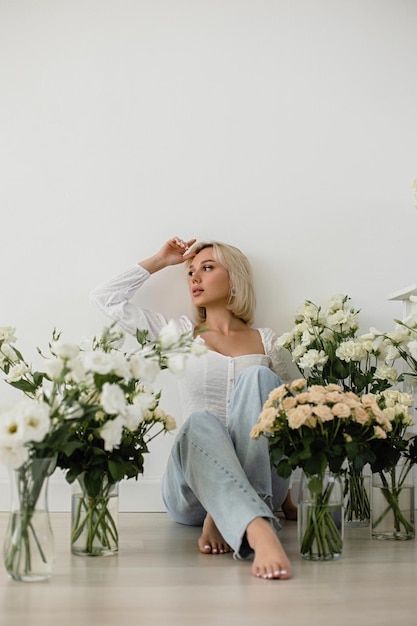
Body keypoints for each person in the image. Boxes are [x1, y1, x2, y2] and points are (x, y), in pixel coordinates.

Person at [90, 236, 299, 580]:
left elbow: (291, 418)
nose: (194, 278)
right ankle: (258, 528)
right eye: (190, 272)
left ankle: (231, 518)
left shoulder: (267, 341)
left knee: (260, 379)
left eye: (207, 268)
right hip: (192, 490)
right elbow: (105, 298)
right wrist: (161, 260)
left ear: (235, 278)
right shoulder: (178, 335)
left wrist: (289, 497)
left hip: (265, 485)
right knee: (200, 421)